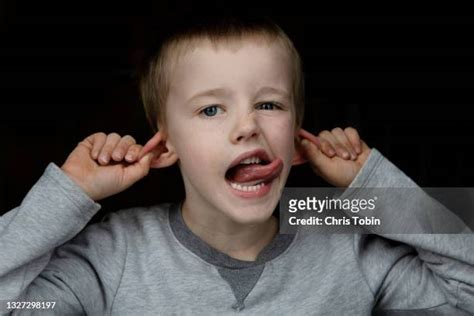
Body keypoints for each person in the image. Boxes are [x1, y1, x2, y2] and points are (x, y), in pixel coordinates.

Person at [1, 15, 473, 315]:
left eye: (269, 105)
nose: (248, 126)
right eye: (211, 109)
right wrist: (68, 193)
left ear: (294, 137)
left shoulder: (341, 237)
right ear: (165, 146)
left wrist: (375, 193)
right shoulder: (114, 250)